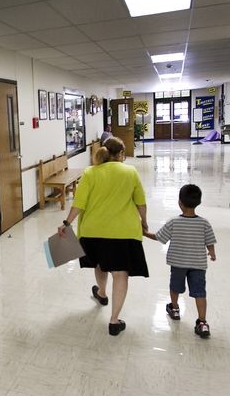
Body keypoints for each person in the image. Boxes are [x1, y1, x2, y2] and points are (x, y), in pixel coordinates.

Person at [58, 136, 149, 336]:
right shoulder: (130, 172)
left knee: (100, 263)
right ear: (121, 154)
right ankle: (114, 321)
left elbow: (78, 204)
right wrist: (144, 222)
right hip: (123, 232)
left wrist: (66, 224)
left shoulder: (90, 172)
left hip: (93, 231)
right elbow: (140, 202)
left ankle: (102, 293)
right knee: (120, 272)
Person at [144, 184, 216, 338]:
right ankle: (202, 323)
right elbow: (210, 241)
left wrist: (144, 233)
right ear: (199, 202)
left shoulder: (174, 222)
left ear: (179, 202)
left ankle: (175, 309)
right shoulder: (204, 223)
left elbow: (159, 237)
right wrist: (212, 252)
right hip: (198, 264)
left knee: (175, 286)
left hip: (178, 263)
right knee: (199, 292)